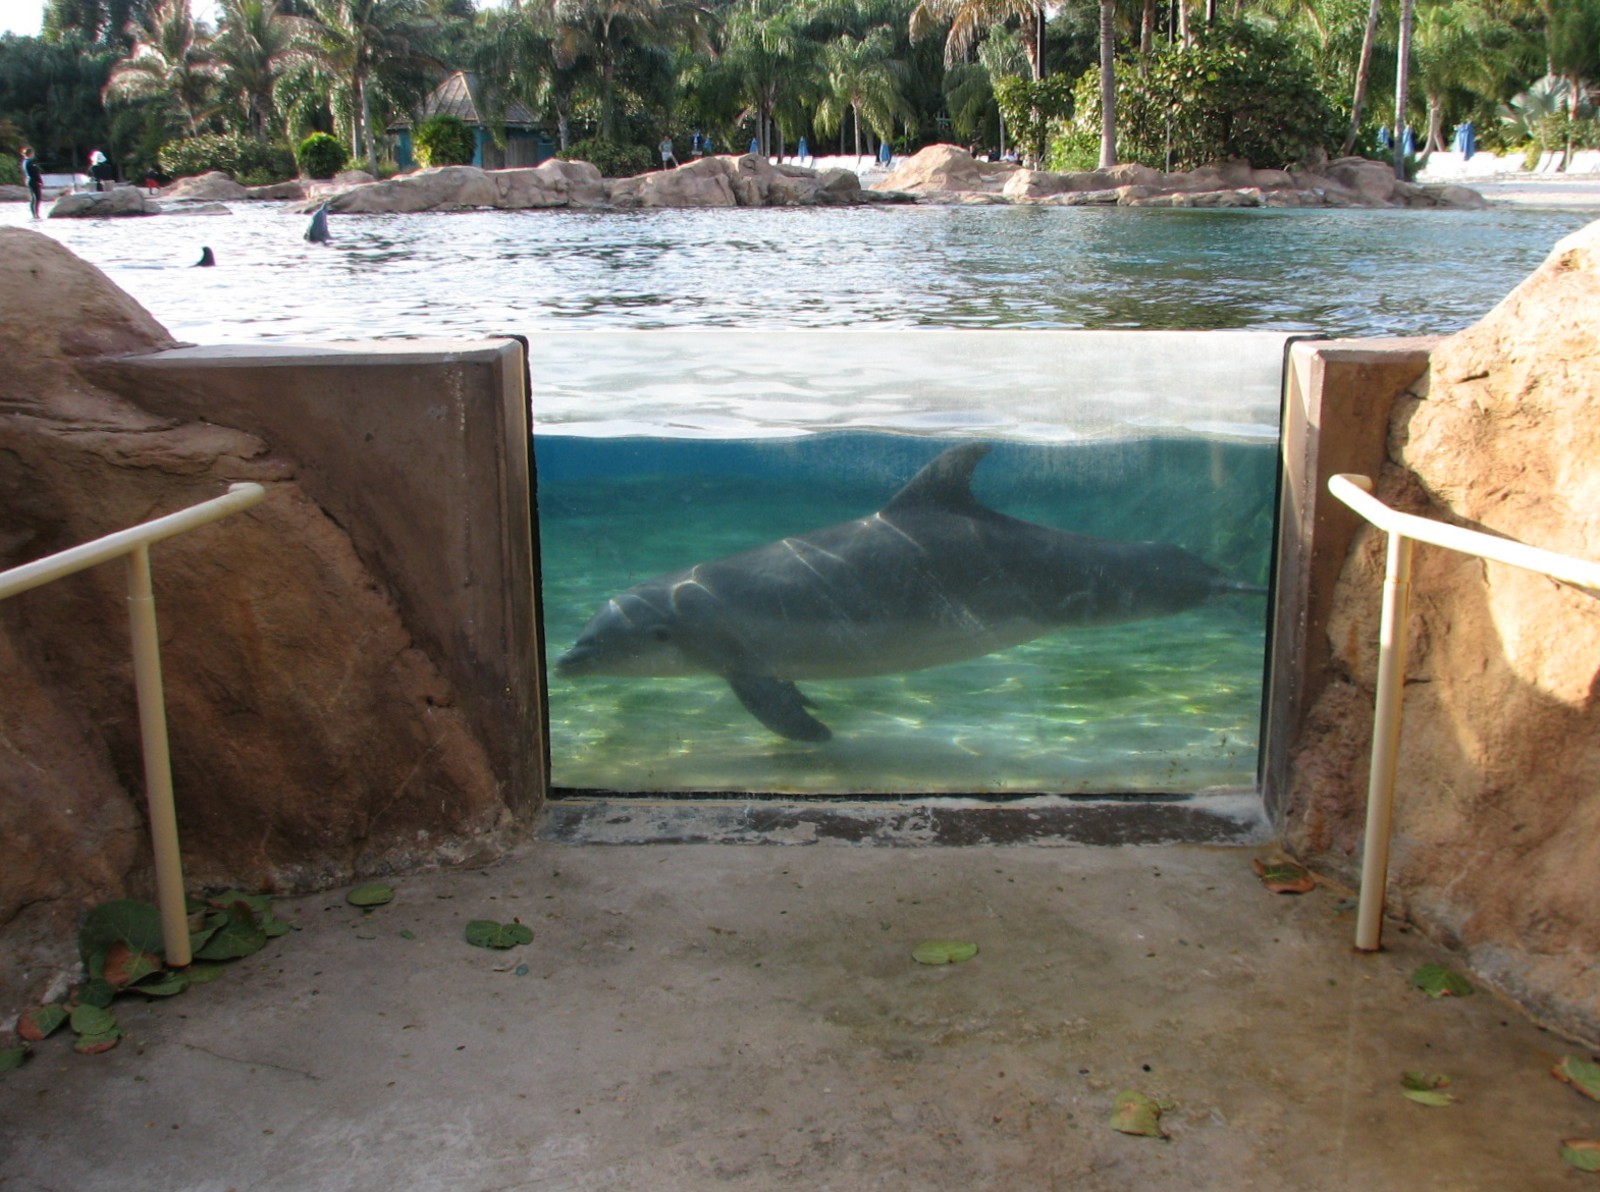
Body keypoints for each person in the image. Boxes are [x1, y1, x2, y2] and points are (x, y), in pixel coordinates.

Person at [21, 146, 43, 219]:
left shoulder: (24, 161)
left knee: (34, 198)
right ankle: (36, 214)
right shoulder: (30, 162)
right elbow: (35, 173)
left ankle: (35, 214)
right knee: (37, 198)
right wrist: (40, 181)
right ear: (30, 153)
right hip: (33, 181)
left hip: (29, 180)